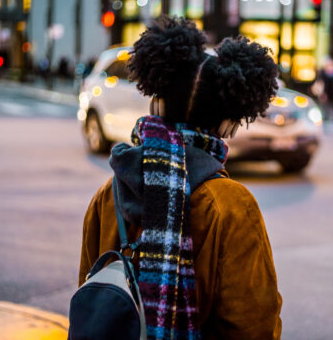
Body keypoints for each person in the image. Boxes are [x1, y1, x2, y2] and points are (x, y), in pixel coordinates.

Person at [78, 17, 282, 339]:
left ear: (156, 103)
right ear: (229, 122)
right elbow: (253, 325)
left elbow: (89, 299)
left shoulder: (110, 193)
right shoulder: (233, 207)